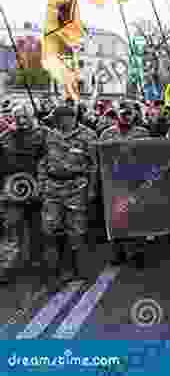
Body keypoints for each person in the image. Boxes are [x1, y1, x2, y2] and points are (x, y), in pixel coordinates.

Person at [37, 106, 97, 287]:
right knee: (50, 228)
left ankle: (78, 269)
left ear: (69, 118)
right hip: (52, 188)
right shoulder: (49, 135)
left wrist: (92, 188)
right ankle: (55, 270)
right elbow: (42, 161)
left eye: (56, 118)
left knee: (77, 230)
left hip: (76, 188)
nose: (53, 121)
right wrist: (42, 184)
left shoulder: (88, 136)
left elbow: (94, 166)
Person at [0, 105, 47, 284]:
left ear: (31, 117)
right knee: (12, 232)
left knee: (37, 230)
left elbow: (48, 161)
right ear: (13, 118)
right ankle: (6, 267)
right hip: (12, 192)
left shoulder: (42, 135)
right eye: (17, 117)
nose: (21, 120)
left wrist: (43, 187)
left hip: (36, 189)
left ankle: (36, 263)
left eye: (25, 117)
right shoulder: (4, 138)